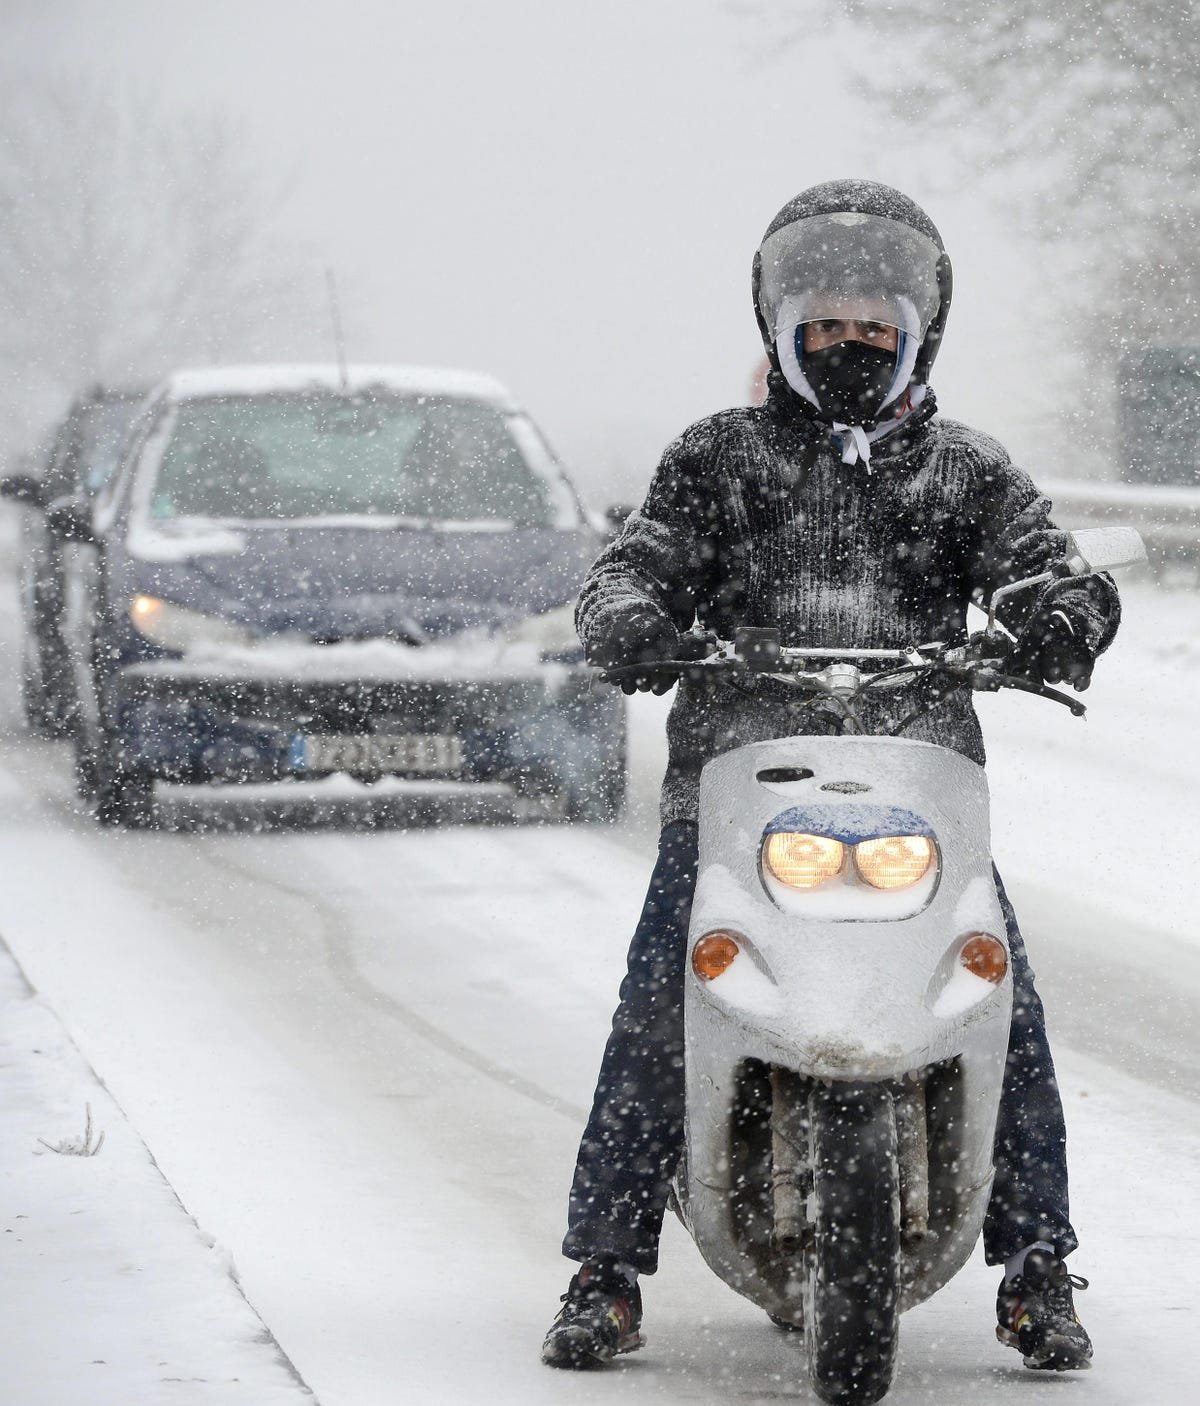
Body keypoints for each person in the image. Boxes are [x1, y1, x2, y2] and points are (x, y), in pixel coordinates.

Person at [541, 180, 1117, 1375]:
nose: (847, 344)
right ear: (780, 326)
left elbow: (1044, 564)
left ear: (917, 332)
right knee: (659, 1002)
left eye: (870, 325)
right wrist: (632, 617)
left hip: (921, 793)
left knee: (1001, 1002)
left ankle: (1036, 1264)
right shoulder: (717, 457)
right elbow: (629, 571)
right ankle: (605, 1268)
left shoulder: (964, 470)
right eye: (824, 324)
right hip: (733, 798)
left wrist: (1062, 611)